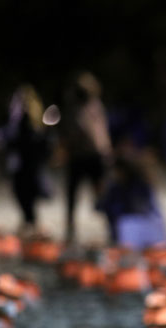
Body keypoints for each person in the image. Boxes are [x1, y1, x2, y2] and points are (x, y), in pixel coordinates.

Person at [62, 72, 112, 244]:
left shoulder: (88, 107)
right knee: (74, 193)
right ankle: (71, 227)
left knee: (97, 193)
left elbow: (89, 131)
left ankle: (111, 225)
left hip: (87, 155)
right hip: (87, 155)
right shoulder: (91, 106)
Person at [4, 85, 52, 233]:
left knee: (26, 196)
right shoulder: (22, 117)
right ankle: (29, 223)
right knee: (24, 197)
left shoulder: (27, 118)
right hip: (27, 163)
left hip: (28, 163)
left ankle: (31, 225)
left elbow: (33, 140)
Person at [95, 151, 166, 248]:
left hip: (139, 224)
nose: (114, 174)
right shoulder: (114, 187)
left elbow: (144, 208)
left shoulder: (140, 186)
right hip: (123, 226)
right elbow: (100, 206)